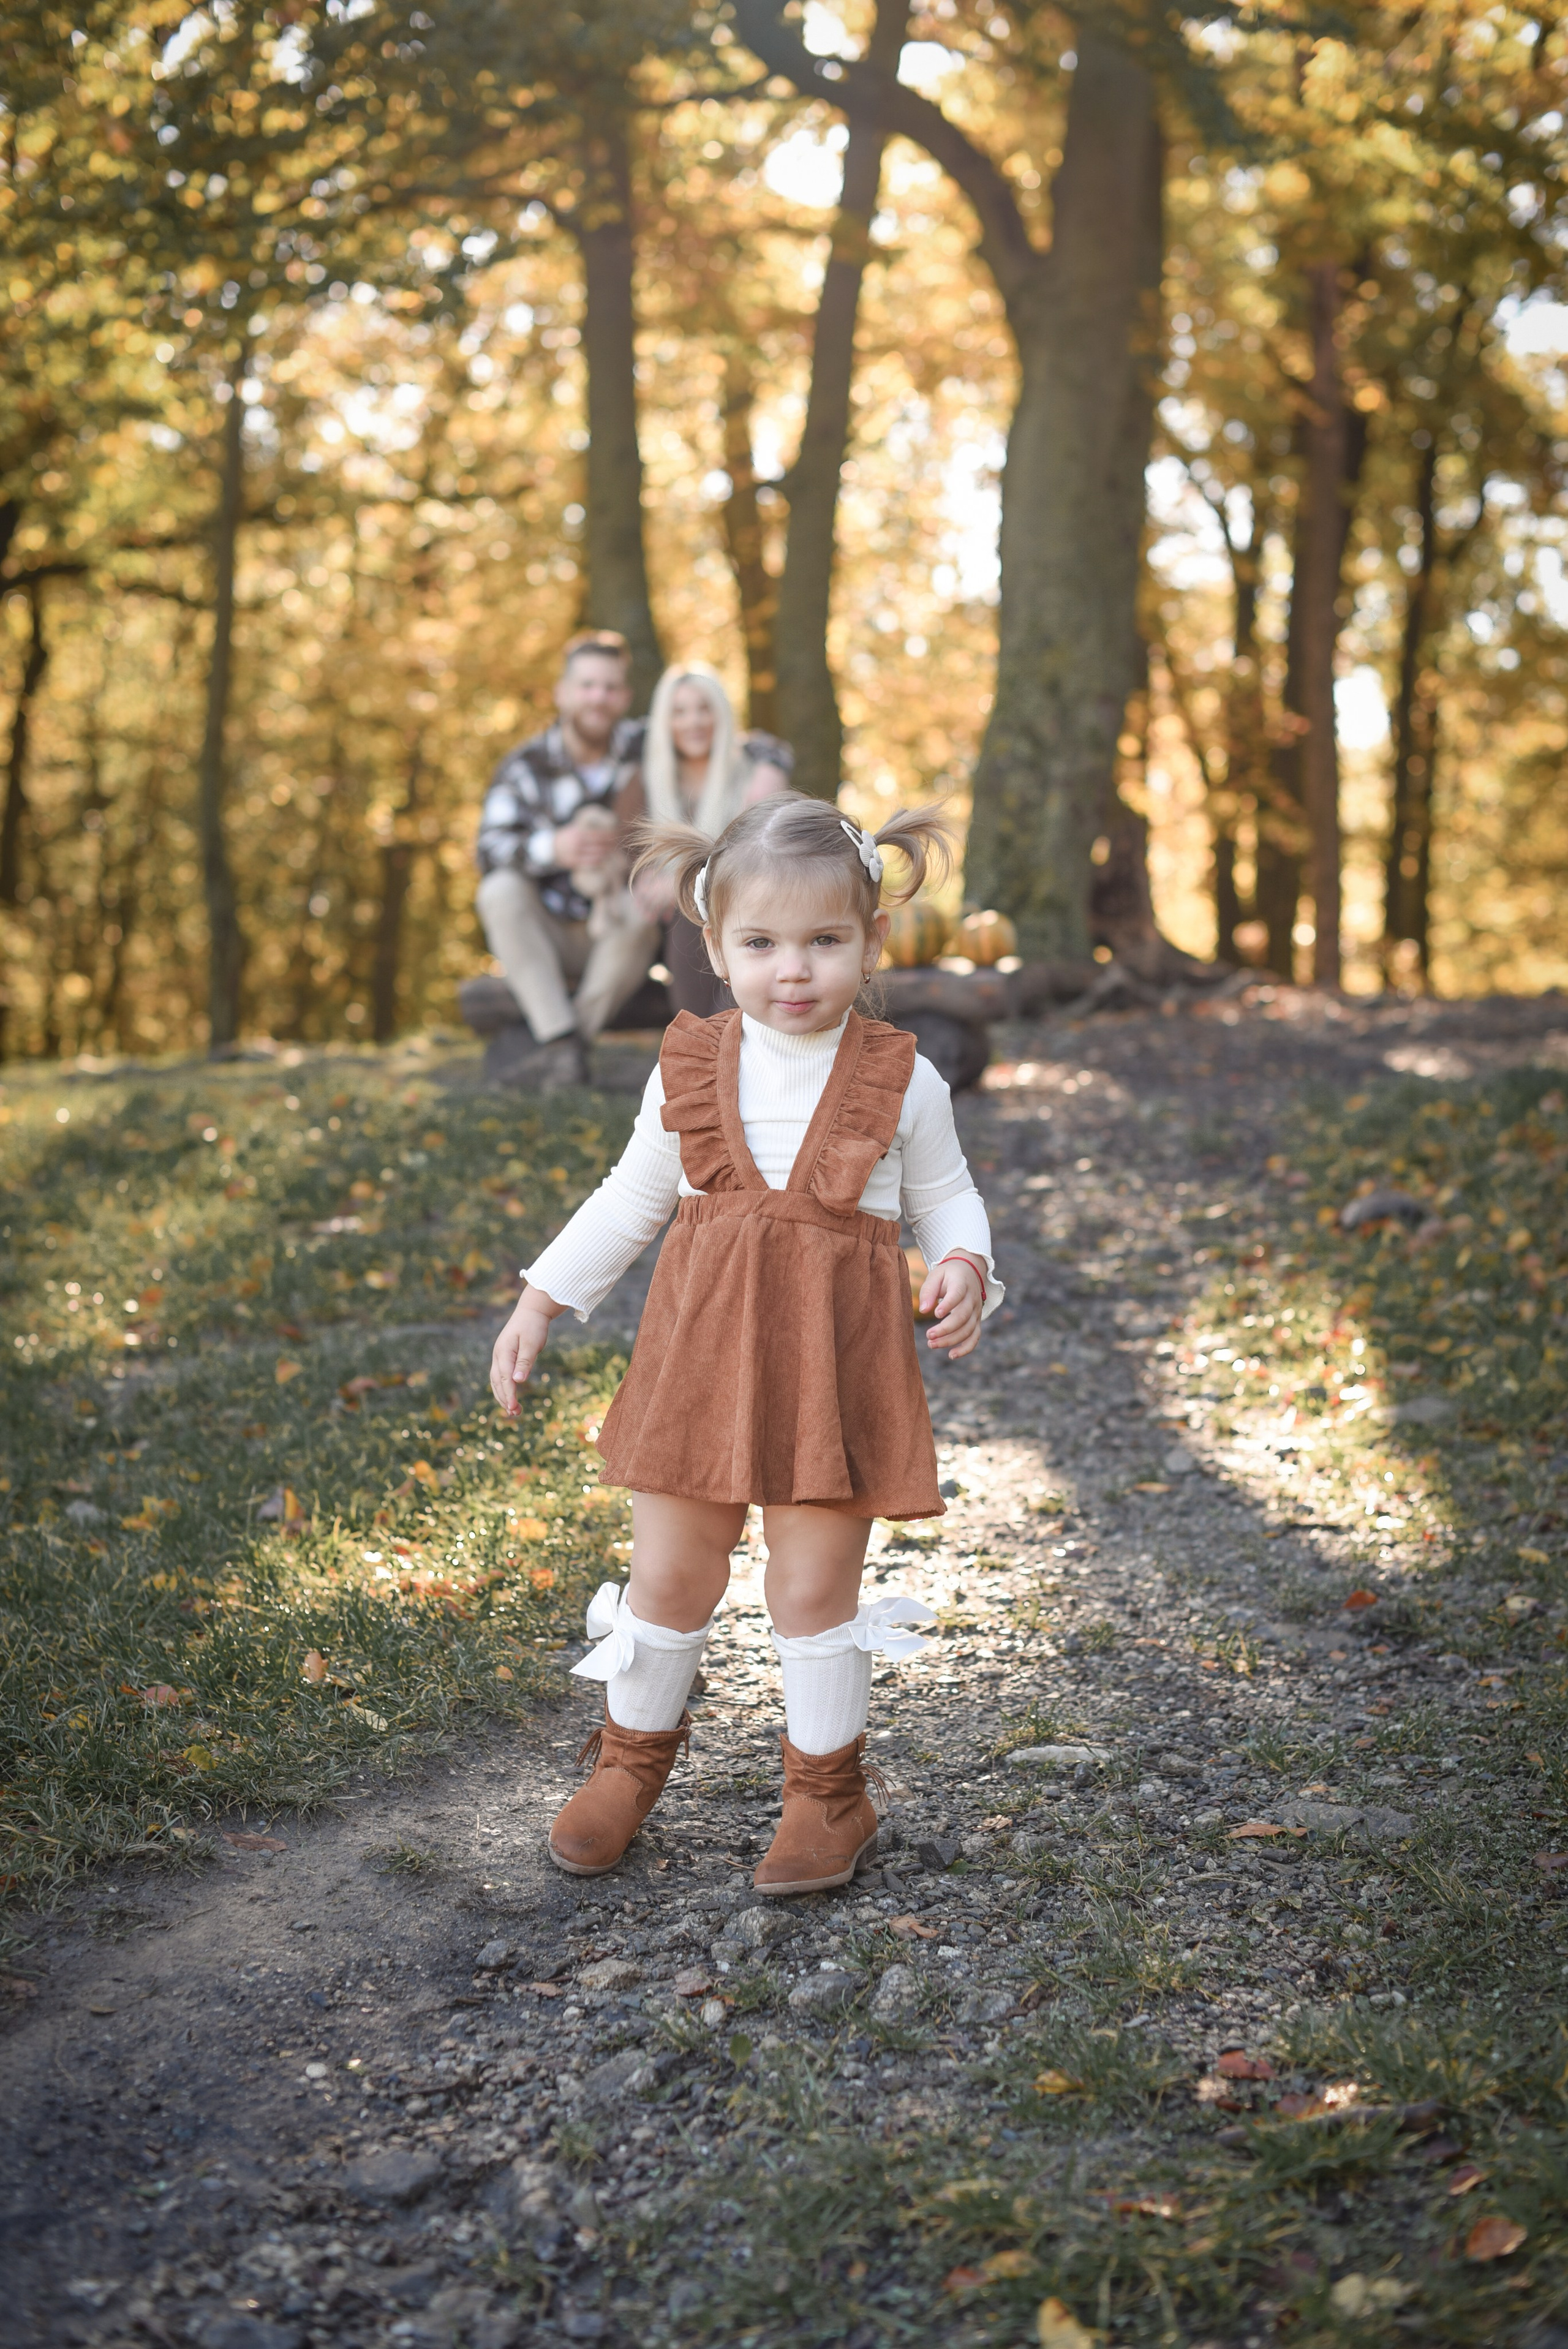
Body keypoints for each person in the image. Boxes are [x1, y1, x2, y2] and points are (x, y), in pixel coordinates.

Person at [489, 794, 1001, 1893]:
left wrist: (965, 1265)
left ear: (872, 943)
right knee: (670, 1572)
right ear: (715, 947)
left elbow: (948, 1198)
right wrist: (541, 1297)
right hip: (697, 1360)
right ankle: (630, 1763)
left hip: (837, 1365)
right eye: (762, 944)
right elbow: (631, 1199)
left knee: (811, 1591)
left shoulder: (902, 1077)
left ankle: (829, 1796)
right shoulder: (689, 1064)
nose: (795, 969)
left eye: (825, 941)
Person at [475, 632, 662, 1090]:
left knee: (645, 908)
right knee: (498, 890)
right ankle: (563, 1041)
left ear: (625, 697)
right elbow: (488, 848)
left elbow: (722, 739)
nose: (598, 698)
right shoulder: (525, 765)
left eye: (610, 687)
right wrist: (551, 847)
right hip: (549, 931)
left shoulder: (650, 747)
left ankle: (563, 1051)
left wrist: (769, 760)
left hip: (618, 928)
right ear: (562, 693)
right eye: (587, 685)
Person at [636, 663, 791, 1017]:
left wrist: (676, 882)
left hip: (738, 907)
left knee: (693, 909)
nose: (694, 721)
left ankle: (718, 1036)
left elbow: (759, 859)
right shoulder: (651, 777)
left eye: (704, 708)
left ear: (721, 713)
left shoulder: (753, 776)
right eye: (679, 712)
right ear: (664, 721)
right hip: (666, 923)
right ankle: (702, 1041)